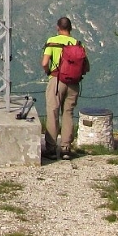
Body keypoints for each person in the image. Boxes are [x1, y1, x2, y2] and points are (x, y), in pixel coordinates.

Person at [41, 16, 88, 160]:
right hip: (73, 83)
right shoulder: (77, 43)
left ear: (57, 28)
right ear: (71, 28)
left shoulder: (52, 41)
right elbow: (86, 67)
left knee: (53, 112)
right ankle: (66, 148)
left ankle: (51, 148)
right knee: (68, 113)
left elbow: (44, 62)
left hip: (56, 81)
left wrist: (49, 72)